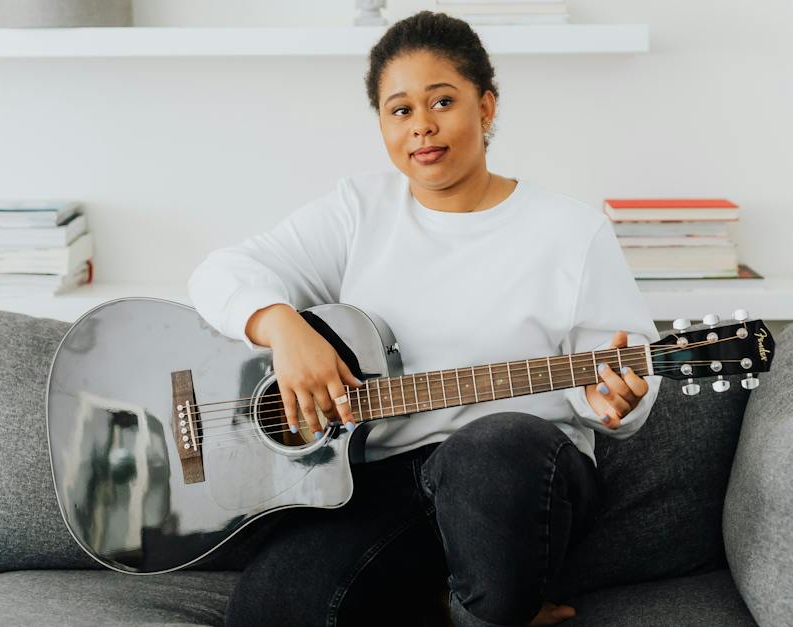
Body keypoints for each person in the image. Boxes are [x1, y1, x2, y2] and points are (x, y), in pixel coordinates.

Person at [187, 11, 663, 626]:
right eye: (400, 110)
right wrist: (282, 327)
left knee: (491, 446)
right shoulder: (358, 209)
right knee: (270, 612)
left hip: (518, 481)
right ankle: (442, 600)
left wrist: (619, 402)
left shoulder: (572, 232)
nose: (423, 128)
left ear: (487, 109)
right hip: (382, 485)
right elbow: (220, 272)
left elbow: (625, 382)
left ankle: (483, 605)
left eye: (443, 101)